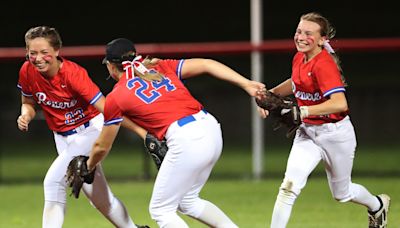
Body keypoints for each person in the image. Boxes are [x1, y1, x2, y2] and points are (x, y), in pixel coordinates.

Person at [85, 37, 266, 227]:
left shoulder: (116, 96)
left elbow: (101, 146)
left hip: (187, 138)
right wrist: (245, 83)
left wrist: (88, 167)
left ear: (112, 67)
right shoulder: (159, 67)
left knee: (161, 210)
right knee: (188, 201)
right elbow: (206, 64)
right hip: (210, 126)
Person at [257, 12, 390, 228]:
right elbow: (296, 83)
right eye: (299, 31)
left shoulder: (323, 64)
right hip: (308, 133)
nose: (301, 37)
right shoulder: (300, 57)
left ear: (321, 39)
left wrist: (304, 112)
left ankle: (376, 205)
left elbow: (340, 103)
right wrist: (272, 94)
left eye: (308, 33)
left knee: (342, 193)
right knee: (289, 187)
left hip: (335, 134)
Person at [16, 26, 148, 228]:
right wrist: (26, 114)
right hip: (62, 138)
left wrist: (142, 132)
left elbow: (108, 109)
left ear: (57, 51)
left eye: (44, 52)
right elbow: (28, 102)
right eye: (32, 53)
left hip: (89, 131)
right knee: (100, 200)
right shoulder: (27, 71)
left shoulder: (73, 74)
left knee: (53, 182)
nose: (38, 58)